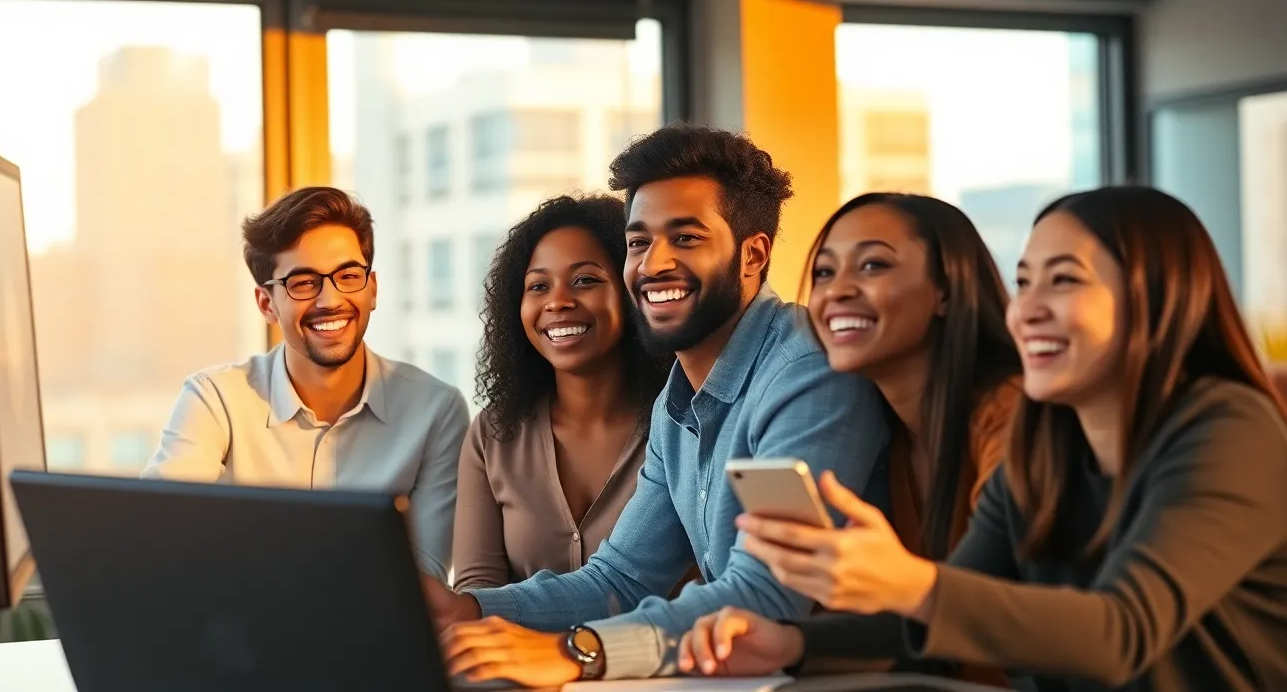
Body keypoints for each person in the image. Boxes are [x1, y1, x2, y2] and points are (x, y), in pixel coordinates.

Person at [680, 186, 1287, 691]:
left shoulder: (1229, 430)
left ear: (1157, 297)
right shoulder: (1043, 439)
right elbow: (937, 624)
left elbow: (1121, 632)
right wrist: (788, 641)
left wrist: (911, 582)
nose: (1028, 309)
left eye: (1065, 281)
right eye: (1025, 283)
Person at [425, 124, 891, 687]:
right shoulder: (678, 401)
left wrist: (582, 652)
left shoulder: (805, 371)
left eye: (687, 238)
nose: (653, 264)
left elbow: (765, 594)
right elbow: (620, 577)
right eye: (639, 241)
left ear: (753, 255)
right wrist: (469, 610)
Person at [747, 192, 1020, 685]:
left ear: (947, 290)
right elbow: (917, 625)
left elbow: (969, 603)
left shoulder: (1008, 413)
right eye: (825, 273)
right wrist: (787, 643)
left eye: (872, 266)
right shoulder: (890, 429)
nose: (837, 292)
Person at [143, 187, 470, 581]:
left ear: (372, 289)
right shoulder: (215, 400)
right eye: (302, 283)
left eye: (349, 276)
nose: (330, 299)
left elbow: (425, 581)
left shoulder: (436, 411)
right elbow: (159, 541)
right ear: (266, 304)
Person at [451, 194, 673, 591]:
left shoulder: (681, 423)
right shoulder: (494, 434)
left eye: (585, 280)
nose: (557, 302)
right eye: (538, 286)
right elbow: (476, 593)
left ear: (630, 290)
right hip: (518, 654)